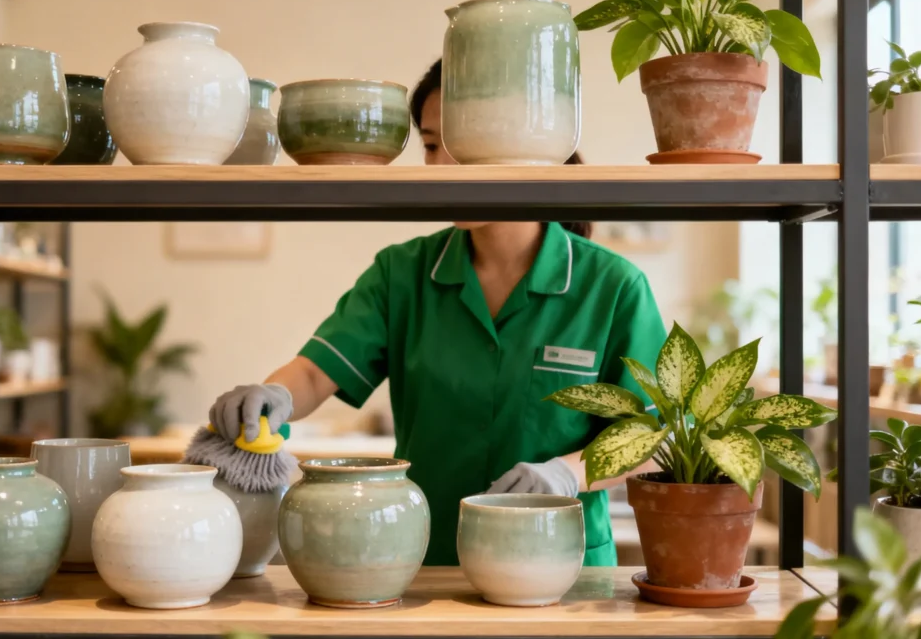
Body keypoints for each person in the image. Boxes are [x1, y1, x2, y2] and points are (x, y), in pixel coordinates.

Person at [209, 58, 667, 567]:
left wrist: (569, 473)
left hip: (564, 568)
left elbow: (652, 431)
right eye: (430, 146)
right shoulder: (402, 274)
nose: (444, 167)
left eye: (464, 146)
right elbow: (318, 372)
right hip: (428, 566)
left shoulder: (612, 287)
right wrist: (273, 395)